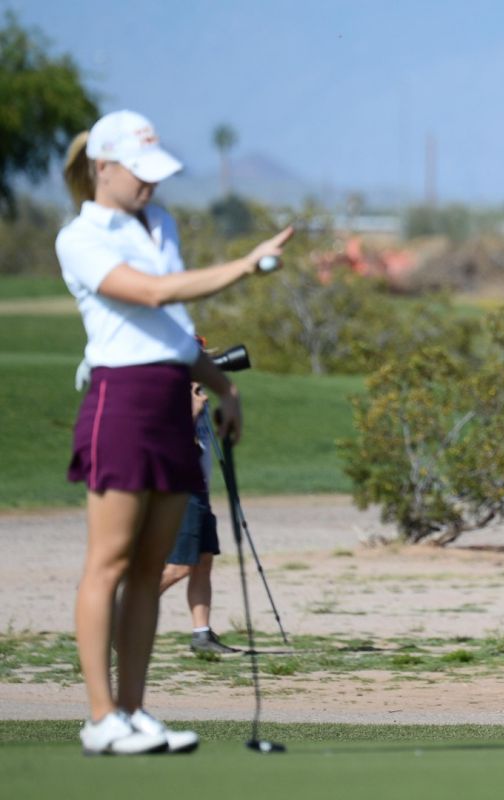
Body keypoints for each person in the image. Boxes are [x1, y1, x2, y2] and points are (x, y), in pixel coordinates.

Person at [57, 110, 291, 755]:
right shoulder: (80, 237)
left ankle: (133, 712)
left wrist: (224, 388)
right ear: (103, 168)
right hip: (121, 401)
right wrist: (245, 266)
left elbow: (175, 329)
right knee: (107, 563)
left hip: (170, 400)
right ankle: (100, 717)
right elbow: (152, 296)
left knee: (146, 571)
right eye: (140, 175)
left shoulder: (159, 224)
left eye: (157, 178)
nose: (151, 190)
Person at [159, 381, 237, 655]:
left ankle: (201, 634)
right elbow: (166, 443)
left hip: (199, 490)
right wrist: (191, 412)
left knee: (204, 562)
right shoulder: (169, 397)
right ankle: (126, 610)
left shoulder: (198, 399)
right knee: (179, 566)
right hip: (180, 491)